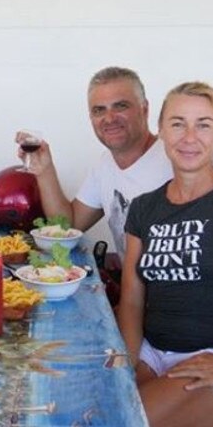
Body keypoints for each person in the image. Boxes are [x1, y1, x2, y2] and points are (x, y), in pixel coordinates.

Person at [118, 81, 213, 426]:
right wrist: (126, 366)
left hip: (204, 359)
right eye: (178, 123)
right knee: (99, 402)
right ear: (160, 130)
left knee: (123, 420)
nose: (190, 137)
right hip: (152, 352)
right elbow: (131, 300)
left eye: (204, 124)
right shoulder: (144, 208)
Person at [15, 66, 173, 260]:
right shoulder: (105, 165)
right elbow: (68, 226)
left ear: (144, 109)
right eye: (99, 110)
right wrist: (44, 170)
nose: (109, 118)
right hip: (132, 286)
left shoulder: (176, 159)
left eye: (120, 106)